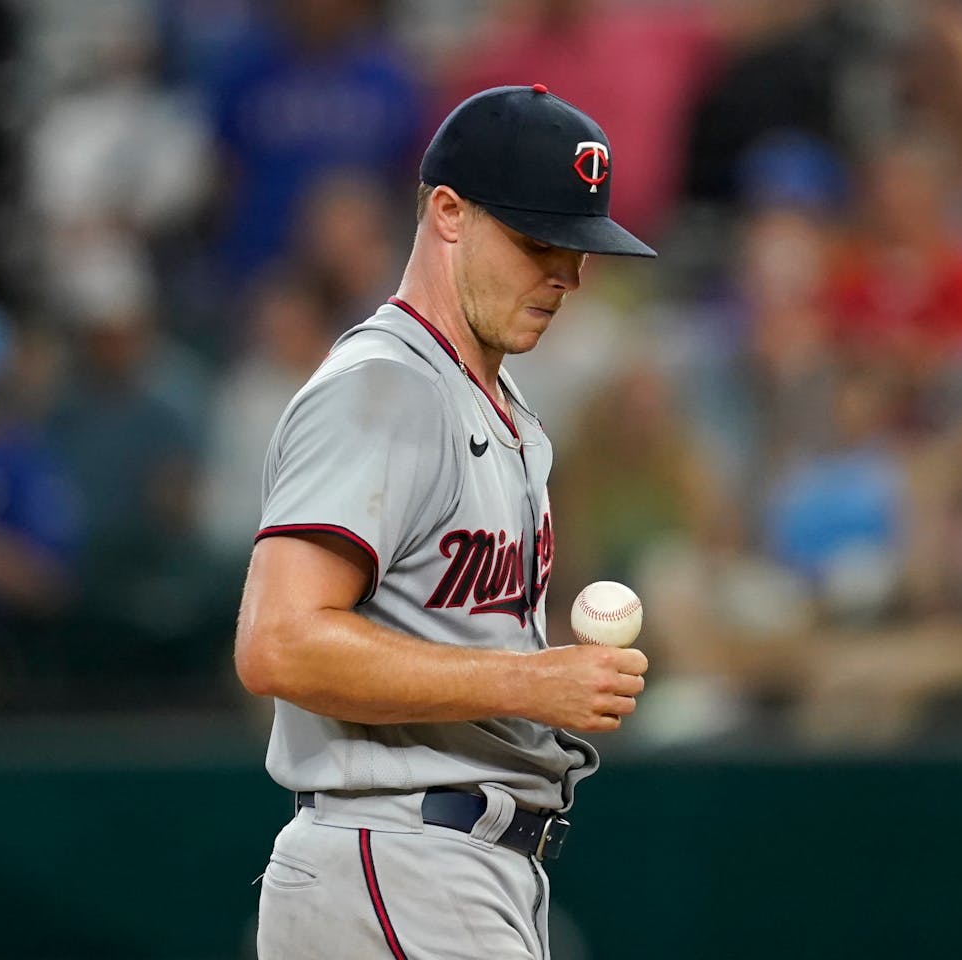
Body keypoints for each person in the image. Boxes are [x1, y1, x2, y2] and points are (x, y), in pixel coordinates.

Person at [234, 84, 655, 959]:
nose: (568, 276)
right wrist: (529, 685)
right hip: (397, 855)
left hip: (446, 863)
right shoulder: (386, 388)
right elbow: (278, 642)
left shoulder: (498, 409)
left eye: (578, 248)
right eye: (540, 240)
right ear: (449, 213)